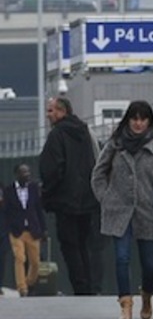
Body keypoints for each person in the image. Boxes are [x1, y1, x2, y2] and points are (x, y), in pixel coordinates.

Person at [91, 101, 153, 319]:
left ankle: (147, 295)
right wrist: (105, 198)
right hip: (118, 209)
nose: (138, 123)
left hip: (147, 210)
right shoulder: (115, 145)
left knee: (149, 263)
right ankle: (125, 302)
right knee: (122, 257)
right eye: (134, 118)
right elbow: (98, 173)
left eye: (143, 119)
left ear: (149, 121)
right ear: (127, 120)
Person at [39, 96, 107, 295]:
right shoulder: (85, 132)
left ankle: (80, 286)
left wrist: (47, 192)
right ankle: (89, 285)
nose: (48, 115)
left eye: (51, 110)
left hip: (65, 201)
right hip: (87, 199)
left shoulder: (57, 135)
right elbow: (97, 159)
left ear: (62, 112)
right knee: (84, 243)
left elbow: (53, 169)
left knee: (69, 245)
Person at [2, 164, 47, 297]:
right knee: (19, 258)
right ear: (17, 174)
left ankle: (28, 282)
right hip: (17, 231)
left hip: (33, 230)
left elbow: (39, 210)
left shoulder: (33, 189)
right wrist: (8, 227)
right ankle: (22, 288)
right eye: (23, 172)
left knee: (35, 261)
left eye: (28, 172)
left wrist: (44, 229)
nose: (27, 175)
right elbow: (6, 211)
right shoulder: (8, 190)